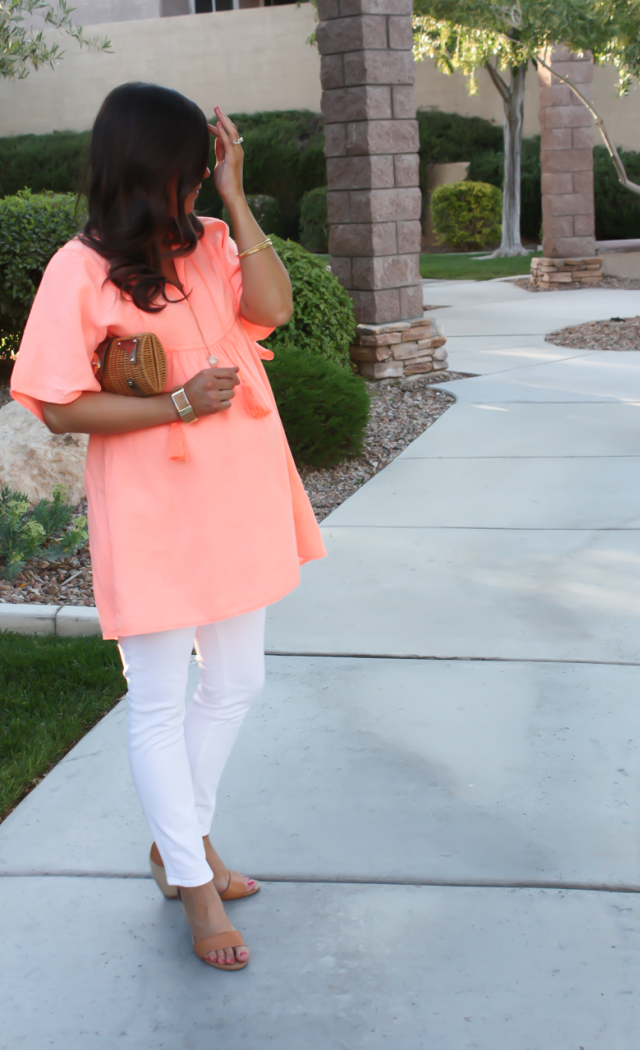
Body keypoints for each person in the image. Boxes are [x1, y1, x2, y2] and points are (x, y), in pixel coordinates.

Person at [10, 82, 326, 972]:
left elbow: (273, 309)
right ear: (153, 166)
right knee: (155, 700)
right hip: (152, 503)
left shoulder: (213, 240)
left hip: (239, 493)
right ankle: (191, 881)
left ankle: (176, 837)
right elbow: (61, 408)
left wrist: (234, 195)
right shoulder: (80, 269)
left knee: (237, 682)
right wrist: (178, 403)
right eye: (192, 167)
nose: (198, 180)